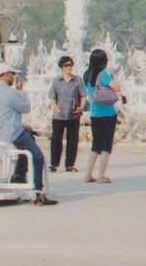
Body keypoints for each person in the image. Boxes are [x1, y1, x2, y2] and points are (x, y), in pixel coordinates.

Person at [0, 61, 57, 205]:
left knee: (28, 136)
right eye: (12, 74)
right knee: (38, 157)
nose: (14, 77)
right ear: (5, 74)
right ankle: (38, 192)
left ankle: (19, 174)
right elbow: (26, 107)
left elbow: (4, 114)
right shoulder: (10, 92)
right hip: (12, 135)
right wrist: (20, 91)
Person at [82, 49, 122, 184]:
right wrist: (116, 77)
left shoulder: (87, 75)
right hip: (108, 114)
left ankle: (88, 174)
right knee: (106, 145)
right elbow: (117, 88)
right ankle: (101, 176)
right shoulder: (103, 74)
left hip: (94, 114)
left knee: (96, 145)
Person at [48, 55, 85, 173]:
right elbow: (52, 97)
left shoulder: (77, 80)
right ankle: (54, 163)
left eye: (70, 65)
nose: (69, 67)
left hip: (73, 114)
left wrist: (81, 107)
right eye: (66, 65)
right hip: (59, 115)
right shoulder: (56, 81)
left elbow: (83, 95)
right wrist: (55, 106)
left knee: (72, 140)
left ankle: (70, 164)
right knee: (56, 140)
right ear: (62, 67)